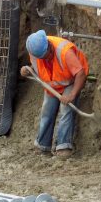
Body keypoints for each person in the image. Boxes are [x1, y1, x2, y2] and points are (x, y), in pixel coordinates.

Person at [21, 30, 89, 158]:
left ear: (49, 45)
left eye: (48, 55)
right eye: (43, 57)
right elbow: (36, 67)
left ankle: (63, 146)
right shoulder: (35, 51)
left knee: (66, 108)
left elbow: (80, 73)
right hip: (52, 83)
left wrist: (72, 95)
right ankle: (43, 146)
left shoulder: (64, 52)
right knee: (47, 111)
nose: (46, 58)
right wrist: (27, 69)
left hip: (71, 80)